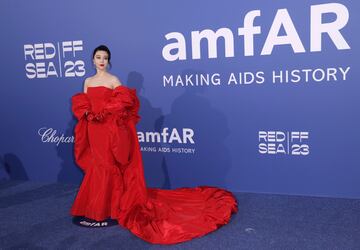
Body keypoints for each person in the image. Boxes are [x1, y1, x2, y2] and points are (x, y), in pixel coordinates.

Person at [70, 45, 238, 244]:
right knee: (97, 166)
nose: (101, 61)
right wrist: (90, 115)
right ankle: (98, 206)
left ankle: (111, 207)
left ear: (108, 61)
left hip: (108, 130)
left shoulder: (114, 80)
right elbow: (83, 106)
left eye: (105, 57)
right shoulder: (87, 81)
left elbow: (122, 105)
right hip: (93, 130)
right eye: (98, 57)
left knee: (107, 165)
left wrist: (105, 112)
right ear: (92, 60)